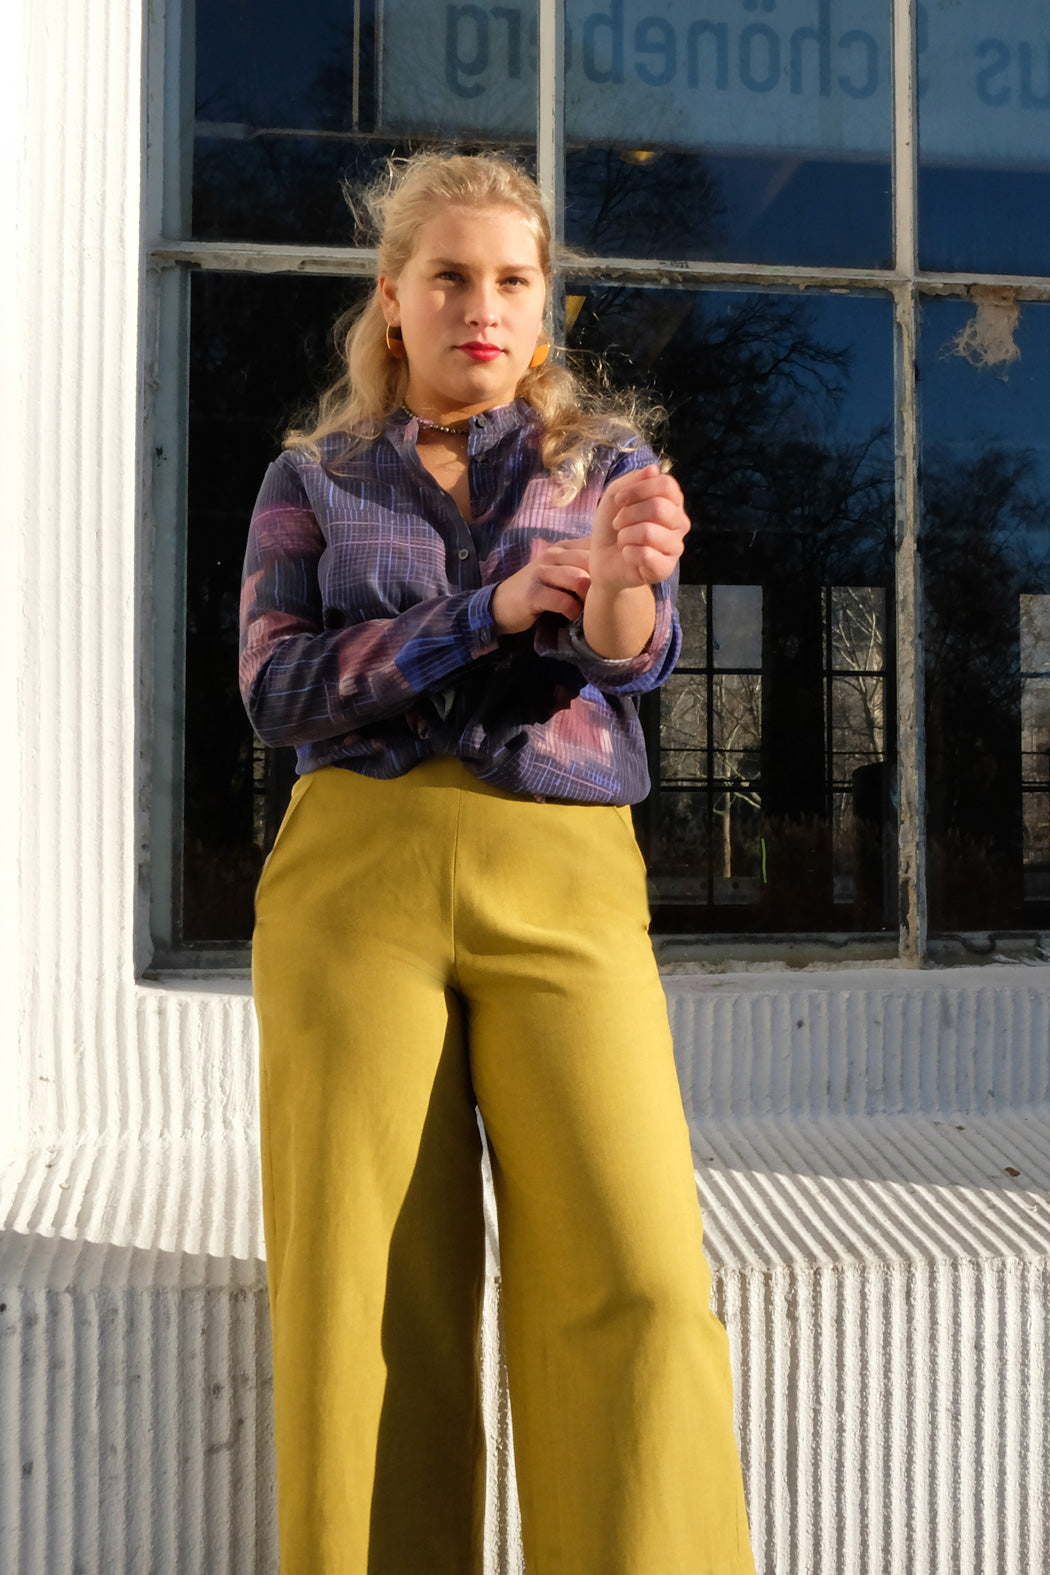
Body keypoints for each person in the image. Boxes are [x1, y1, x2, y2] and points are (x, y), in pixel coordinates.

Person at [240, 149, 755, 1575]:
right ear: (392, 298)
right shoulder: (312, 477)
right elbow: (275, 688)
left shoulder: (607, 468)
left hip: (563, 879)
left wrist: (621, 579)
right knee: (366, 1301)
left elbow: (630, 660)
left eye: (512, 280)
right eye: (450, 275)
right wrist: (486, 609)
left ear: (543, 310)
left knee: (639, 1278)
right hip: (355, 887)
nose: (482, 304)